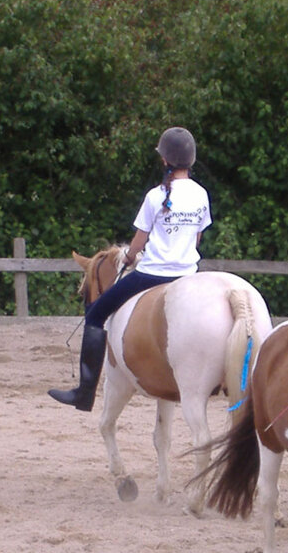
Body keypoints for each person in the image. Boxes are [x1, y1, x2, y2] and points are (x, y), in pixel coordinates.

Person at [48, 127, 212, 411]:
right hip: (188, 274)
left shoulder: (155, 196)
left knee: (96, 314)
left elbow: (139, 240)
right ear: (191, 160)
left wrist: (129, 257)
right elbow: (197, 238)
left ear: (165, 160)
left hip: (153, 273)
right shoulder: (201, 194)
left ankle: (84, 393)